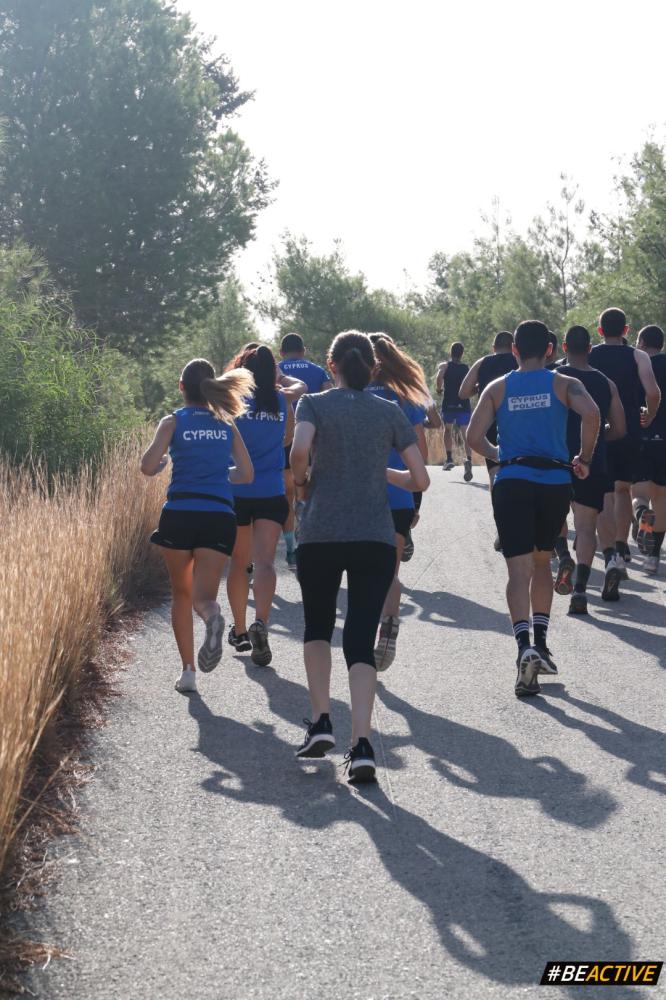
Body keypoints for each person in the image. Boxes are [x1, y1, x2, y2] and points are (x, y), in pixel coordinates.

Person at [291, 331, 429, 782]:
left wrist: (302, 483)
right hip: (374, 536)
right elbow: (421, 479)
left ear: (330, 365)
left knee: (317, 627)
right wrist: (380, 471)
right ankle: (363, 744)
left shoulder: (312, 403)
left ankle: (321, 722)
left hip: (321, 533)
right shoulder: (388, 410)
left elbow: (299, 450)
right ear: (373, 368)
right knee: (360, 639)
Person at [467, 321, 600, 698]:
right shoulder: (564, 384)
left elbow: (472, 437)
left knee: (517, 570)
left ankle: (524, 646)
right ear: (549, 350)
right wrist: (584, 458)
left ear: (513, 350)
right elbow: (592, 415)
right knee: (543, 563)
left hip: (512, 482)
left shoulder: (498, 387)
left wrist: (500, 454)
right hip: (554, 483)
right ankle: (540, 643)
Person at [141, 359, 254, 694]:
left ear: (182, 387)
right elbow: (247, 475)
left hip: (180, 513)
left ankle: (188, 672)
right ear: (211, 387)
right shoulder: (226, 423)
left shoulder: (172, 421)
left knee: (181, 593)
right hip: (218, 516)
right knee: (204, 598)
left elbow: (147, 466)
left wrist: (163, 463)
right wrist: (219, 475)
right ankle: (213, 615)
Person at [226, 345, 294, 665]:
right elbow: (287, 438)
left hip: (237, 491)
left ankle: (240, 630)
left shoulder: (232, 399)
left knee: (240, 563)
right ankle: (261, 623)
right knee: (265, 563)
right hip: (270, 489)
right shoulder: (281, 400)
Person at [366, 334, 430, 670]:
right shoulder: (405, 396)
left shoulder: (354, 393)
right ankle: (389, 626)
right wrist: (416, 499)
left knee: (363, 572)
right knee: (388, 572)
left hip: (359, 497)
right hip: (399, 496)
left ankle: (366, 633)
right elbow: (421, 452)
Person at [556, 326, 626, 612]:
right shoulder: (606, 383)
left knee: (555, 517)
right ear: (589, 349)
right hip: (592, 460)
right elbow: (620, 429)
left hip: (556, 459)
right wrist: (597, 438)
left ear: (564, 347)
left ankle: (563, 556)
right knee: (586, 527)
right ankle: (580, 591)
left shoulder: (554, 379)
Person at [589, 308, 661, 581]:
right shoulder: (638, 356)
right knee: (622, 490)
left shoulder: (590, 354)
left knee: (604, 494)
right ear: (626, 330)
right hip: (629, 431)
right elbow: (653, 392)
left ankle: (613, 557)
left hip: (597, 431)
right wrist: (649, 415)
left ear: (599, 331)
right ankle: (621, 545)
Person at [278, 333, 332, 566]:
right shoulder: (319, 371)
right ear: (303, 351)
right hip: (313, 439)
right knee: (314, 492)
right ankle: (315, 541)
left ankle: (291, 548)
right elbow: (331, 401)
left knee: (288, 493)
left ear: (281, 352)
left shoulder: (276, 371)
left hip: (284, 438)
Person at [460, 331, 517, 491]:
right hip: (515, 420)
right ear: (513, 346)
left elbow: (463, 392)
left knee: (494, 472)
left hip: (490, 422)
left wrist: (479, 388)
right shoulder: (519, 360)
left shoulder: (482, 362)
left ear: (493, 347)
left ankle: (498, 503)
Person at [635, 325, 666, 574]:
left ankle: (642, 515)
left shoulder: (640, 366)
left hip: (642, 436)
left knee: (639, 494)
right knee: (662, 497)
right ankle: (654, 558)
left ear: (643, 343)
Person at [436, 342, 473, 480]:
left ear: (451, 352)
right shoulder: (466, 368)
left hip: (449, 404)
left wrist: (439, 389)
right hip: (463, 404)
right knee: (465, 433)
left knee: (447, 430)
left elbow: (439, 376)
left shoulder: (445, 366)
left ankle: (449, 458)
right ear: (462, 353)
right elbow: (472, 383)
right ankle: (468, 460)